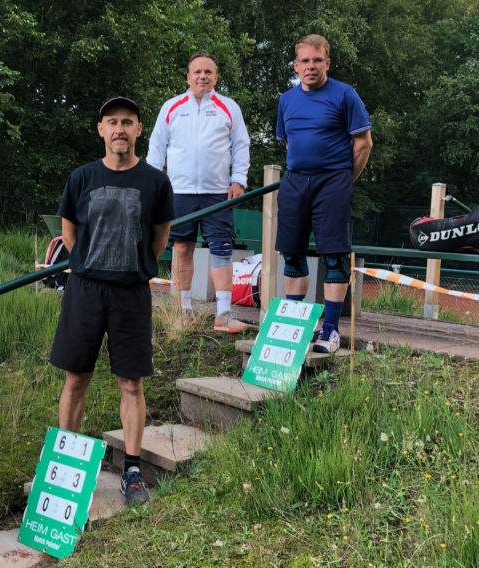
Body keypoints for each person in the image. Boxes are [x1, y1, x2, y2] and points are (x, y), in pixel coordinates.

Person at [50, 97, 174, 505]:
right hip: (85, 290)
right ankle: (66, 464)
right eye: (112, 122)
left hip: (131, 293)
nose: (120, 129)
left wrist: (132, 266)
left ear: (140, 130)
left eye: (128, 122)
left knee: (131, 383)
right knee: (75, 378)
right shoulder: (81, 177)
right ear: (100, 129)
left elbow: (159, 238)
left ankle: (133, 471)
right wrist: (90, 264)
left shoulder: (156, 182)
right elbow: (69, 233)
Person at [275, 34, 373, 353]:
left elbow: (363, 144)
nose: (311, 66)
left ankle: (330, 331)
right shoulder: (286, 99)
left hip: (333, 182)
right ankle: (293, 325)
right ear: (296, 65)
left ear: (327, 62)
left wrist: (344, 180)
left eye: (317, 60)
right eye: (304, 60)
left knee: (333, 257)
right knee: (292, 255)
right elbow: (289, 141)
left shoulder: (345, 95)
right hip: (294, 182)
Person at [147, 50, 251, 332]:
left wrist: (238, 180)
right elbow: (156, 148)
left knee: (221, 247)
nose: (202, 76)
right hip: (177, 191)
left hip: (217, 192)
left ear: (216, 77)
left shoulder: (228, 106)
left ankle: (224, 314)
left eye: (208, 72)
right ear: (188, 76)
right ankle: (185, 312)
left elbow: (241, 144)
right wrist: (153, 185)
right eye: (197, 71)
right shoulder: (172, 106)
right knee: (181, 248)